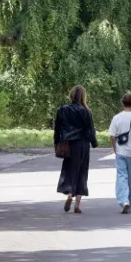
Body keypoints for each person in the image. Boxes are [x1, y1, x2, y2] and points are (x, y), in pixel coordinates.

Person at [53, 85, 98, 213]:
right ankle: (77, 204)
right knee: (82, 172)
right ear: (83, 96)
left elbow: (57, 129)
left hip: (68, 144)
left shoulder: (62, 109)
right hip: (82, 144)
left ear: (71, 95)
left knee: (69, 170)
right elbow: (90, 130)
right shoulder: (86, 111)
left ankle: (69, 195)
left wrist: (57, 143)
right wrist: (94, 143)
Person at [109, 91, 131, 214]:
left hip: (120, 151)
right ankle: (129, 201)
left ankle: (124, 201)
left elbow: (112, 136)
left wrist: (115, 148)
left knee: (121, 176)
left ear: (122, 103)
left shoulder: (116, 118)